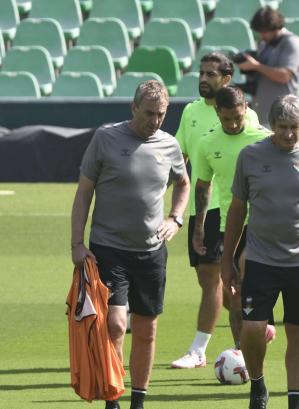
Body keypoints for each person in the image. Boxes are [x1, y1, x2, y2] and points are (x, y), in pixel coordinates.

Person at [221, 95, 299, 409]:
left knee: (298, 333)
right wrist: (228, 259)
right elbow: (237, 210)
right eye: (282, 127)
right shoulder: (250, 156)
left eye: (294, 127)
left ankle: (295, 401)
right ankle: (258, 384)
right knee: (251, 329)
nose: (289, 134)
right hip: (261, 260)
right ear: (271, 125)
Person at [70, 80, 190, 409]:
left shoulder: (168, 145)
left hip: (151, 251)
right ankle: (113, 397)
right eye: (149, 113)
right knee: (115, 323)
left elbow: (183, 182)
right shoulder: (106, 138)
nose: (155, 121)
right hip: (109, 247)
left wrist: (176, 218)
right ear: (133, 108)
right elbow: (84, 192)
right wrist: (77, 244)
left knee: (147, 328)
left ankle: (139, 399)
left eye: (161, 115)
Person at [171, 52, 274, 370]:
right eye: (201, 73)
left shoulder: (249, 118)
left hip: (230, 209)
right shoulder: (190, 112)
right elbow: (179, 156)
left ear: (226, 79)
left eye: (211, 74)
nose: (203, 79)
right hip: (201, 209)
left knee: (216, 279)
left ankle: (201, 349)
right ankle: (255, 323)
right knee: (213, 281)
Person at [190, 85, 273, 358]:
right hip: (231, 227)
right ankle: (243, 356)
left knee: (253, 289)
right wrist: (200, 227)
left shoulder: (264, 139)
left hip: (264, 227)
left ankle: (262, 326)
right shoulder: (207, 143)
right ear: (217, 112)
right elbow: (203, 186)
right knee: (235, 295)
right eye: (227, 119)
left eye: (238, 117)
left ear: (246, 109)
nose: (234, 124)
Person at [237, 6, 299, 125]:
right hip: (262, 113)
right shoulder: (265, 44)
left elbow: (284, 76)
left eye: (264, 32)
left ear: (275, 27)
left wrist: (256, 66)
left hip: (284, 116)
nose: (261, 36)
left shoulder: (292, 43)